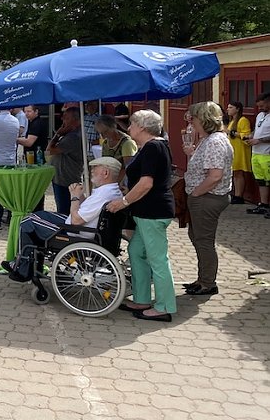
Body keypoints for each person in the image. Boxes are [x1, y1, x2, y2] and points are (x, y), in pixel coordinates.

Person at [2, 157, 124, 281]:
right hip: (86, 228)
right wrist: (80, 196)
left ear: (106, 173)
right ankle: (30, 265)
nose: (91, 171)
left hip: (76, 231)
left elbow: (76, 221)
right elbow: (87, 210)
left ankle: (23, 269)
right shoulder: (112, 191)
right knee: (39, 215)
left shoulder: (102, 194)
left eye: (95, 168)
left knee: (27, 222)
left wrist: (75, 197)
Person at [106, 110, 177, 322]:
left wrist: (124, 202)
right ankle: (142, 298)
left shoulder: (154, 147)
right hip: (146, 211)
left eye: (132, 124)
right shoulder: (151, 146)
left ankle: (164, 306)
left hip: (153, 211)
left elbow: (147, 183)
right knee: (136, 251)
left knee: (157, 259)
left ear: (143, 127)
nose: (129, 128)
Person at [182, 102, 233, 296]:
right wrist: (192, 154)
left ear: (204, 119)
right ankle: (202, 278)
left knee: (204, 240)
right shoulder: (210, 139)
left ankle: (208, 282)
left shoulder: (214, 141)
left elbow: (215, 175)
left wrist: (196, 193)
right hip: (205, 196)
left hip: (207, 197)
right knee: (197, 237)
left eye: (193, 119)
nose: (191, 123)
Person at [46, 107, 84, 214]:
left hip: (66, 179)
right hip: (62, 177)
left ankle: (66, 230)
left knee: (64, 211)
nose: (63, 120)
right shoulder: (70, 134)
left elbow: (49, 150)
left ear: (75, 120)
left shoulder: (74, 137)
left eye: (66, 118)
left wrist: (57, 134)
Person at [95, 114, 138, 186]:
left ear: (113, 127)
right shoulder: (106, 143)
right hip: (109, 182)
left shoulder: (127, 143)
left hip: (122, 183)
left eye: (105, 132)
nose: (103, 136)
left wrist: (114, 183)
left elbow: (128, 168)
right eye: (100, 133)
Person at [246, 93, 270, 215]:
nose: (260, 108)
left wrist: (259, 140)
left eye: (262, 105)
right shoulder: (260, 115)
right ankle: (264, 204)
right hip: (256, 152)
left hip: (267, 153)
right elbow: (258, 128)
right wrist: (251, 134)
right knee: (261, 181)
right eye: (258, 106)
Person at [226, 101, 251, 204]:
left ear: (237, 109)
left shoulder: (243, 120)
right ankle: (236, 193)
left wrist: (231, 132)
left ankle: (239, 195)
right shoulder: (232, 121)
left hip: (239, 149)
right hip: (233, 149)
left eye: (231, 107)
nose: (228, 109)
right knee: (235, 173)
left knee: (238, 172)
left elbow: (246, 134)